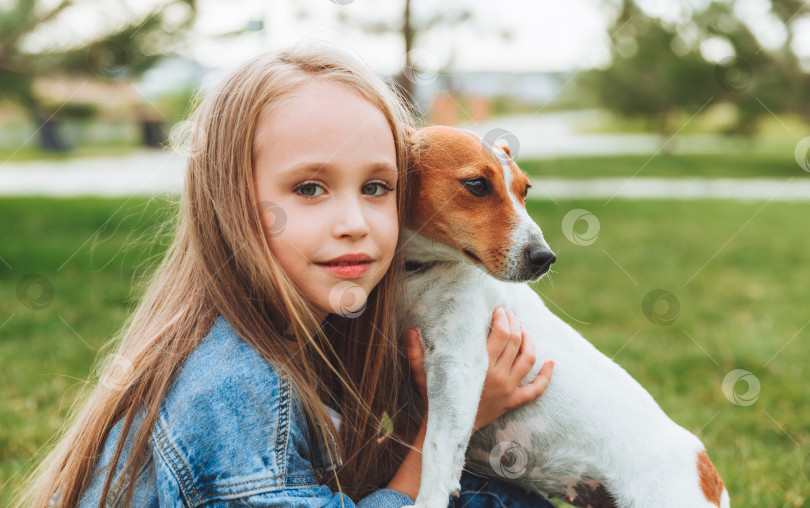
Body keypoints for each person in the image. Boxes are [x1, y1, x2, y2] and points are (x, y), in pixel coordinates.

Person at [12, 41, 555, 507]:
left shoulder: (304, 335)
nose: (353, 223)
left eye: (375, 187)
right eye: (309, 189)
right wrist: (437, 428)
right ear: (230, 202)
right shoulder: (234, 392)